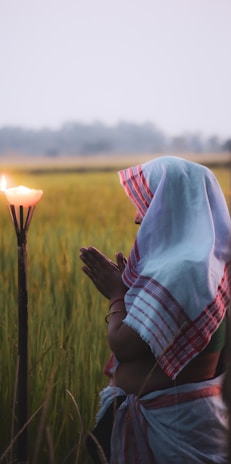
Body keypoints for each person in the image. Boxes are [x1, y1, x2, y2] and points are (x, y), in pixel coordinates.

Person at [80, 156, 231, 464]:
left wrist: (116, 294)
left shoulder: (181, 271)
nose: (138, 217)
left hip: (170, 425)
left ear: (171, 204)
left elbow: (124, 345)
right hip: (198, 416)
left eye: (147, 201)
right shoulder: (214, 264)